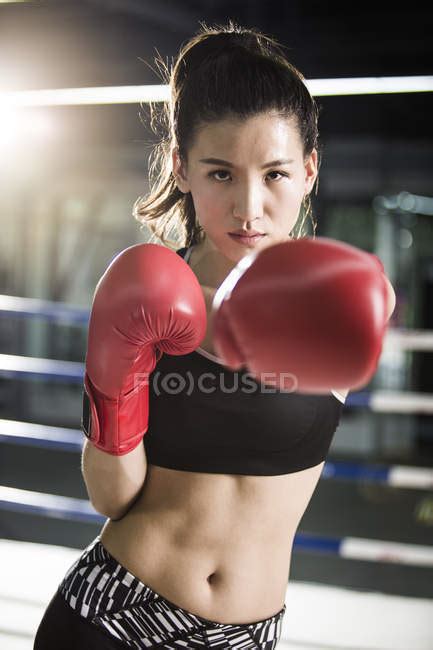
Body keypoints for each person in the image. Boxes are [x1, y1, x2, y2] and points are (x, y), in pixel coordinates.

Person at [34, 21, 395, 649]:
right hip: (115, 614)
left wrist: (208, 313)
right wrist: (118, 357)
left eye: (275, 174)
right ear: (182, 168)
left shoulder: (342, 299)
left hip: (246, 637)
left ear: (310, 171)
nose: (248, 207)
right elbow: (110, 496)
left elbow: (363, 305)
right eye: (221, 174)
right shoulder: (140, 295)